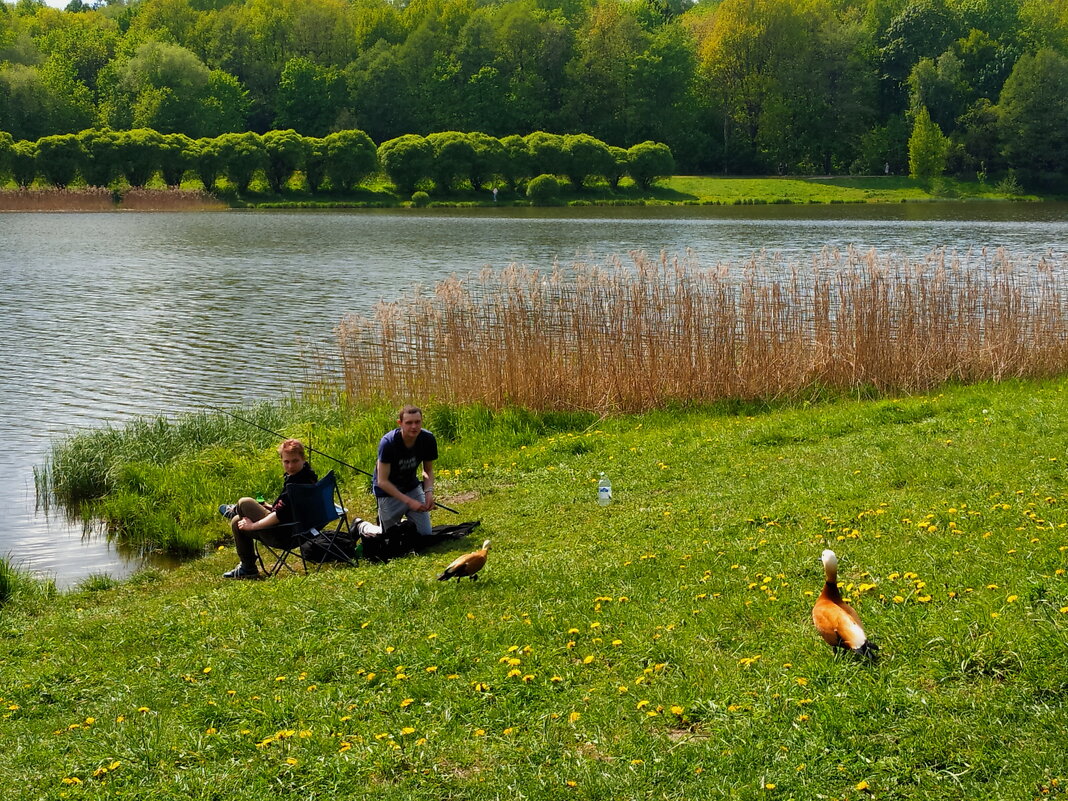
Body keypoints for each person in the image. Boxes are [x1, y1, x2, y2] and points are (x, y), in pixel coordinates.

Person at [218, 438, 318, 579]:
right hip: (300, 527)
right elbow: (288, 509)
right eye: (286, 462)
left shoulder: (295, 486)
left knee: (244, 502)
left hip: (285, 535)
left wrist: (252, 526)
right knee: (236, 522)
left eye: (295, 461)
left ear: (303, 459)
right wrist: (270, 507)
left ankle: (235, 509)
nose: (290, 466)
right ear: (282, 461)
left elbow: (279, 516)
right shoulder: (308, 475)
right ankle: (248, 568)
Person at [356, 405, 438, 538]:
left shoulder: (427, 439)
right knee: (388, 536)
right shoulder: (388, 443)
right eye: (409, 423)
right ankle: (362, 525)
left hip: (411, 487)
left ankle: (405, 522)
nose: (414, 427)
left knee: (425, 534)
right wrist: (409, 502)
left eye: (417, 422)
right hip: (388, 492)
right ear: (400, 423)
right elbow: (382, 481)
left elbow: (427, 470)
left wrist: (428, 492)